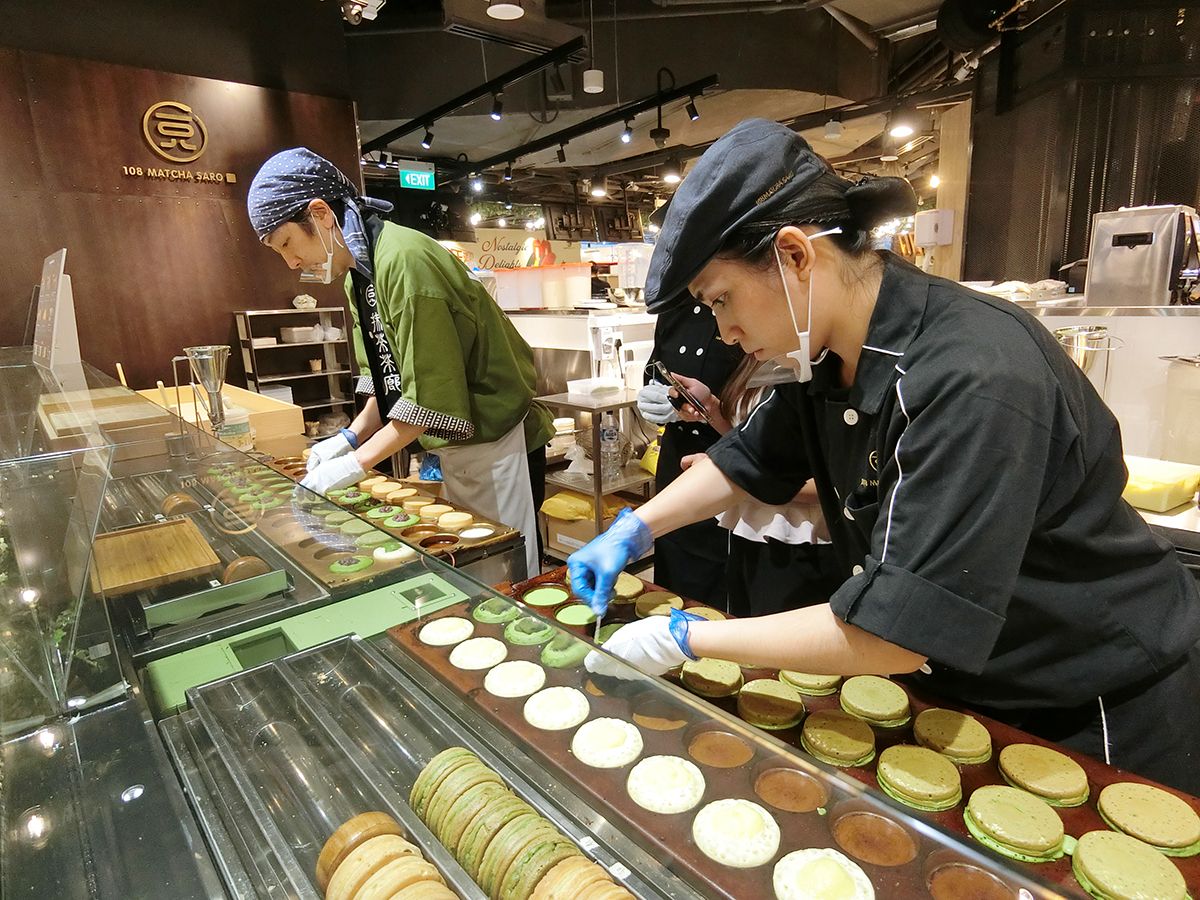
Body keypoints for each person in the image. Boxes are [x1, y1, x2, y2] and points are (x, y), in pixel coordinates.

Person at [569, 119, 1200, 792]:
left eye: (721, 299)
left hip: (1089, 699)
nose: (723, 329)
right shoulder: (830, 358)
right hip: (976, 683)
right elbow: (745, 462)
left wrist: (685, 637)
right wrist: (632, 529)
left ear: (794, 256)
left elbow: (892, 632)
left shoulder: (973, 375)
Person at [247, 149, 554, 578]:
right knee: (478, 562)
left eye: (286, 243)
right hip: (462, 446)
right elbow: (385, 376)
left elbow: (428, 400)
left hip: (499, 439)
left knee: (506, 565)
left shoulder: (405, 262)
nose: (292, 262)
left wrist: (355, 466)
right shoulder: (362, 274)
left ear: (320, 215)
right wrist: (349, 439)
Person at [668, 355, 842, 616]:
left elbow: (831, 483)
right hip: (749, 531)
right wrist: (712, 410)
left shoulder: (821, 368)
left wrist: (741, 479)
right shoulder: (758, 358)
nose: (727, 335)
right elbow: (755, 450)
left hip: (802, 541)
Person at [635, 304, 742, 607]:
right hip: (675, 466)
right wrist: (655, 395)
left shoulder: (743, 310)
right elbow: (655, 367)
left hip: (725, 464)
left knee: (714, 595)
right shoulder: (675, 307)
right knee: (670, 582)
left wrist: (714, 410)